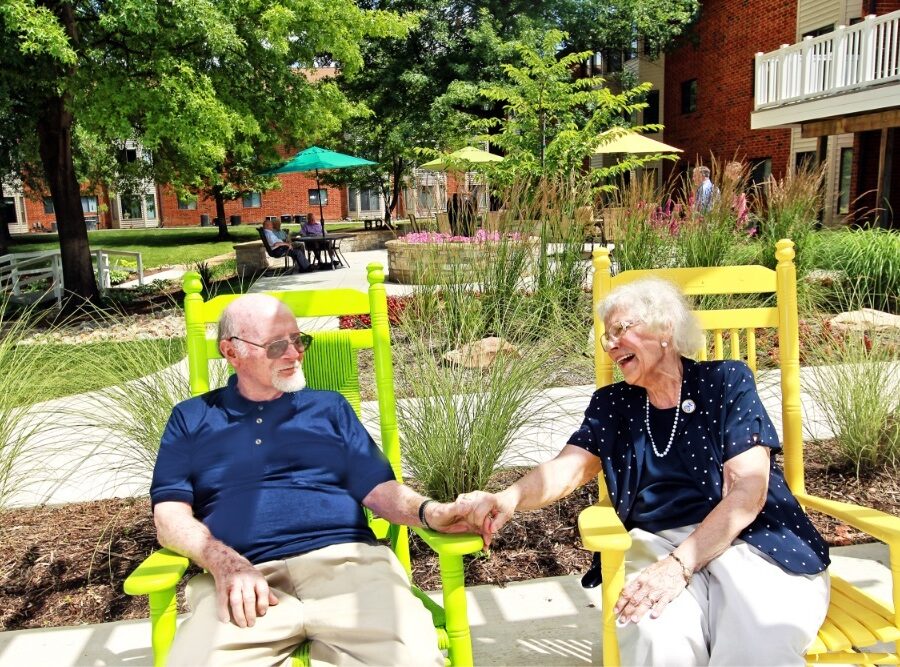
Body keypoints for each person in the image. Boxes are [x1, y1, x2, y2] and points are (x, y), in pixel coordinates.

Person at [457, 277, 830, 665]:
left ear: (665, 327)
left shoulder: (725, 382)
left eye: (620, 329)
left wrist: (682, 564)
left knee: (757, 641)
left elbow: (746, 493)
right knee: (656, 634)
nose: (611, 344)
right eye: (606, 338)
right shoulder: (613, 404)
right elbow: (566, 469)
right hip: (657, 545)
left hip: (750, 540)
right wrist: (508, 498)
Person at [151, 294, 476, 666]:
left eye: (298, 340)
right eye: (277, 345)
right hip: (245, 581)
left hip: (350, 569)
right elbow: (169, 518)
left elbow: (379, 489)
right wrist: (225, 563)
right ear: (232, 351)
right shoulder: (190, 419)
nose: (294, 353)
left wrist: (431, 511)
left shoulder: (330, 407)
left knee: (409, 658)